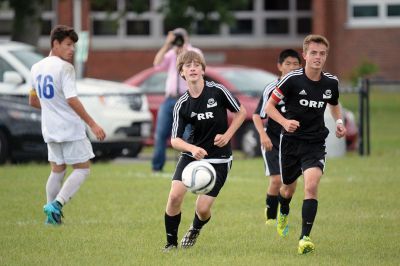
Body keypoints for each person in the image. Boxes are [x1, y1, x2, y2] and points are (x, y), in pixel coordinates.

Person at [265, 34, 347, 254]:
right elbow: (269, 108)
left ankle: (305, 238)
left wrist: (339, 122)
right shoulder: (291, 79)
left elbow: (334, 104)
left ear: (325, 56)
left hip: (315, 142)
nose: (318, 57)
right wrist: (284, 122)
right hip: (291, 142)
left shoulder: (331, 82)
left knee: (311, 186)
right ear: (305, 55)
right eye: (313, 53)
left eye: (322, 54)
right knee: (287, 189)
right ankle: (283, 211)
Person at [162, 50, 246, 251]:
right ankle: (171, 244)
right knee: (174, 197)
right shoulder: (181, 104)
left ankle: (196, 228)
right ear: (181, 73)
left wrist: (227, 135)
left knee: (202, 209)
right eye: (187, 65)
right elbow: (175, 140)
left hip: (220, 158)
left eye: (196, 64)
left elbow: (241, 112)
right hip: (192, 155)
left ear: (202, 69)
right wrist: (192, 149)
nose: (192, 68)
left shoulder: (217, 91)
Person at [29, 25, 106, 225]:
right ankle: (57, 204)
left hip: (50, 128)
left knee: (58, 170)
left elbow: (33, 100)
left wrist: (52, 108)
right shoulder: (65, 68)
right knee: (82, 169)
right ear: (55, 44)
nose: (72, 49)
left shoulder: (36, 67)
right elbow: (72, 99)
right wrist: (92, 123)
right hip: (70, 128)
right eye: (68, 44)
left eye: (74, 46)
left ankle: (50, 216)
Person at [252, 49, 301, 225]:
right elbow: (257, 115)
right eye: (288, 64)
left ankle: (283, 213)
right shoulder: (272, 89)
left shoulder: (303, 89)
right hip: (272, 141)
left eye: (296, 64)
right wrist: (263, 135)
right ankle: (271, 217)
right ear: (280, 66)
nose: (292, 67)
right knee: (276, 180)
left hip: (294, 143)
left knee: (290, 185)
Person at [152, 28, 202, 172]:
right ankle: (157, 167)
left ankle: (189, 166)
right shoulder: (171, 53)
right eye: (177, 37)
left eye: (181, 37)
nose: (179, 41)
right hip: (169, 99)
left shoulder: (194, 52)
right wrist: (167, 44)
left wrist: (185, 49)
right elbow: (157, 63)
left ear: (187, 37)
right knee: (160, 134)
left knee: (187, 134)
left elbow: (199, 65)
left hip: (187, 99)